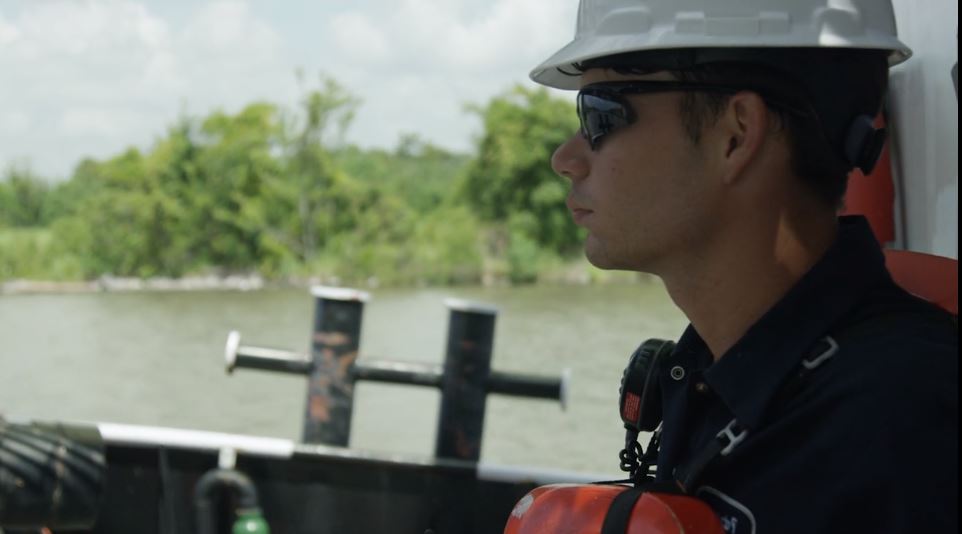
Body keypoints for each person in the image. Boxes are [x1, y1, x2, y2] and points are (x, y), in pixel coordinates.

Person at [529, 1, 958, 533]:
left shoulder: (904, 421)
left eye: (599, 114)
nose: (565, 157)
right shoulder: (712, 374)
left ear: (736, 133)